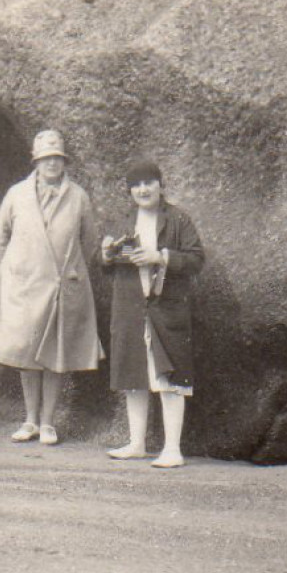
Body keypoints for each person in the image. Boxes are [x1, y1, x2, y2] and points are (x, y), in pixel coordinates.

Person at [0, 129, 101, 445]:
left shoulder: (78, 196)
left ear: (64, 162)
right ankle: (30, 420)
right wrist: (15, 268)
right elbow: (0, 234)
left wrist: (71, 267)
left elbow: (89, 239)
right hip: (25, 288)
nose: (51, 164)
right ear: (36, 161)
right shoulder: (17, 194)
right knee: (26, 354)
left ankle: (48, 424)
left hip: (62, 287)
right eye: (46, 159)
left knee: (55, 356)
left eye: (57, 159)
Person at [99, 159, 205, 469]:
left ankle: (172, 449)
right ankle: (137, 444)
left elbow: (197, 259)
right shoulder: (122, 221)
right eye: (136, 185)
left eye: (149, 183)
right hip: (130, 309)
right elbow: (103, 263)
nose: (143, 189)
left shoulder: (178, 220)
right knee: (134, 376)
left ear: (161, 186)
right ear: (129, 191)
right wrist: (106, 254)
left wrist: (161, 257)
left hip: (166, 308)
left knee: (169, 377)